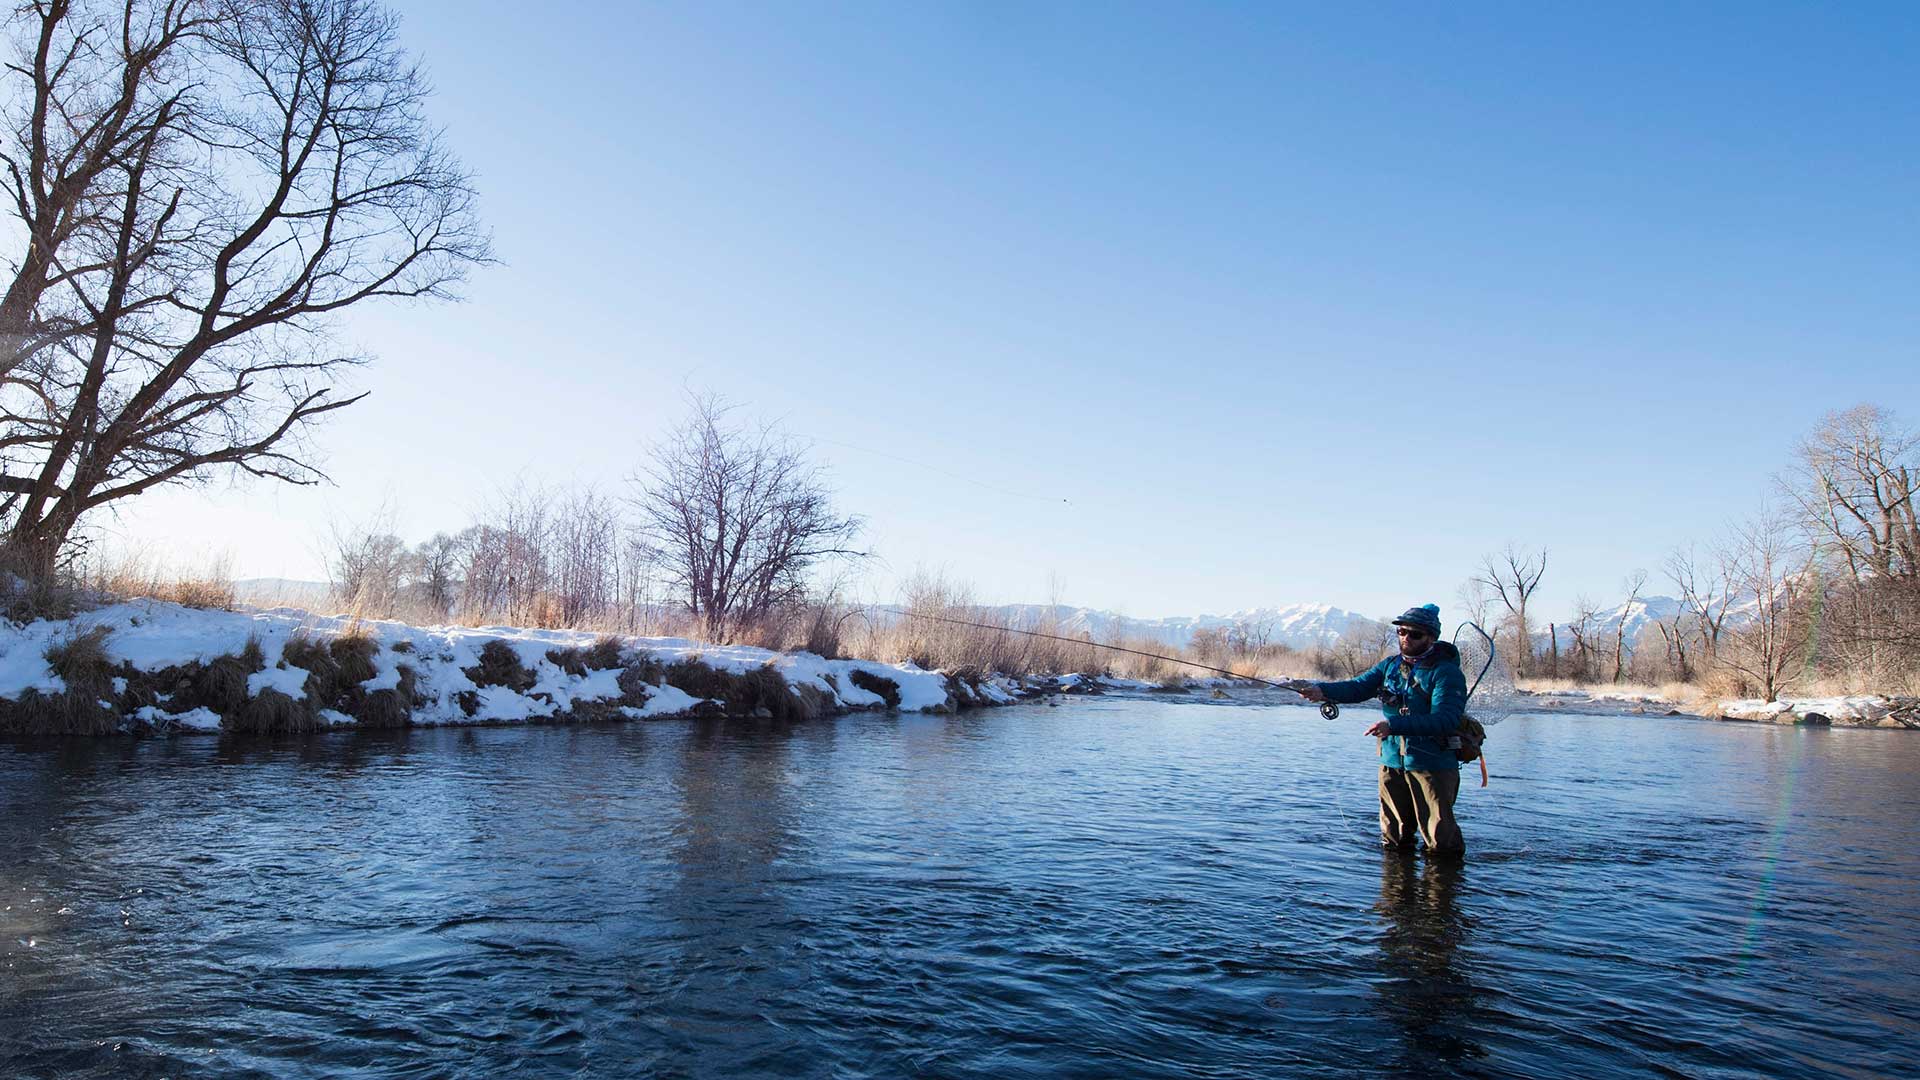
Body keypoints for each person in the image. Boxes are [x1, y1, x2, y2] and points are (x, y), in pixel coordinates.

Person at [1299, 604, 1467, 857]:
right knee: (1394, 839)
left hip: (1432, 765)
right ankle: (1395, 894)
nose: (1406, 638)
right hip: (1391, 761)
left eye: (1415, 634)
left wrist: (1394, 726)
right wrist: (1322, 691)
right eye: (1401, 632)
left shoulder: (1446, 673)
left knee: (1440, 843)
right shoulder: (1390, 666)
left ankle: (1444, 892)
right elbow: (1358, 688)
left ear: (1431, 638)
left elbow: (1445, 719)